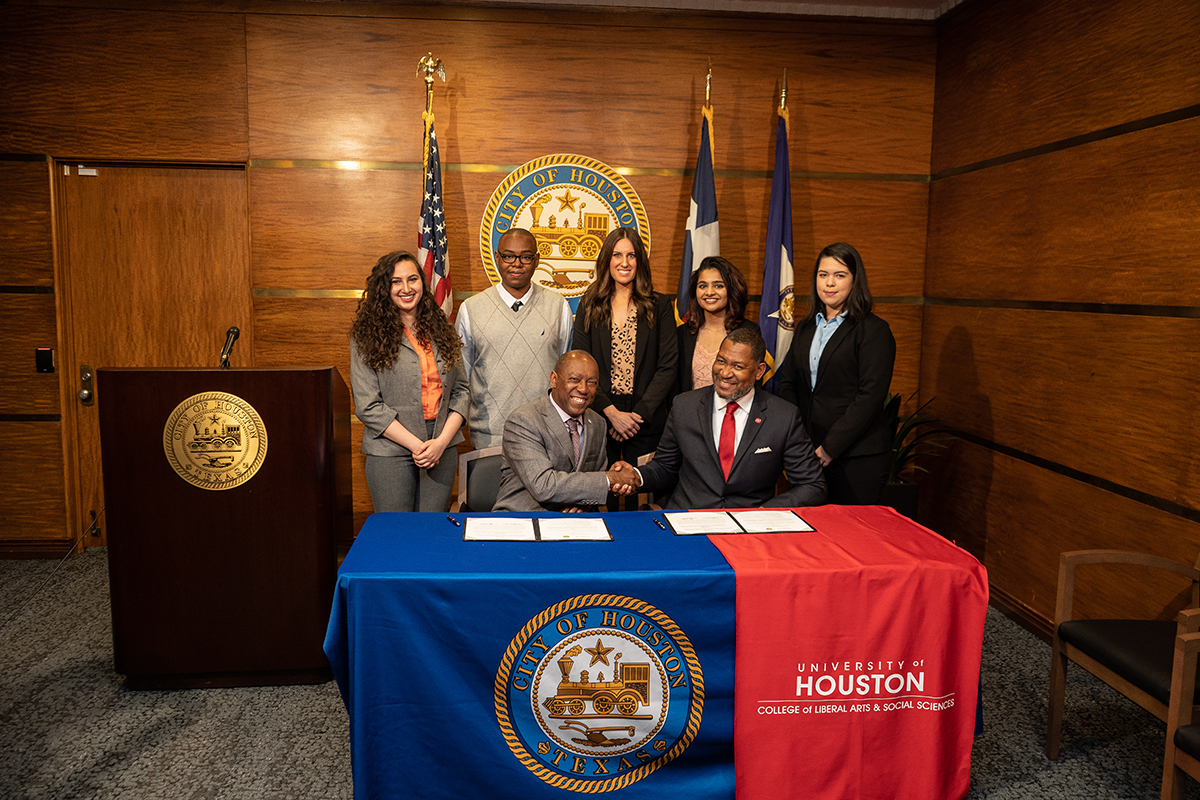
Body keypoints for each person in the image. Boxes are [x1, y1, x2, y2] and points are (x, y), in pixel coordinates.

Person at [636, 326, 826, 509]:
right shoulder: (684, 406)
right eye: (720, 361)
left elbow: (812, 485)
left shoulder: (783, 416)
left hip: (748, 529)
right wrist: (635, 476)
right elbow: (664, 468)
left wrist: (764, 513)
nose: (725, 373)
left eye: (738, 366)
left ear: (759, 371)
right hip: (690, 520)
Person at [777, 242, 896, 505]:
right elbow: (788, 385)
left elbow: (870, 397)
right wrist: (798, 441)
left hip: (857, 457)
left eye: (839, 275)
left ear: (855, 281)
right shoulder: (806, 328)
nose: (829, 283)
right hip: (808, 453)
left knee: (852, 539)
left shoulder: (873, 330)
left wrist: (830, 448)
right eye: (823, 275)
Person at [350, 251, 469, 512]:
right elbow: (368, 406)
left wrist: (440, 443)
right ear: (384, 288)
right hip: (389, 450)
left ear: (423, 284)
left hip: (441, 447)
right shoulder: (366, 336)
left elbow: (461, 391)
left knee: (430, 533)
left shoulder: (442, 329)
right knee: (396, 535)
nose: (406, 288)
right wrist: (418, 446)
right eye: (396, 281)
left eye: (412, 279)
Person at [571, 227, 677, 508]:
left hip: (646, 417)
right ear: (607, 259)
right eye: (617, 254)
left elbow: (668, 367)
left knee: (639, 497)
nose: (624, 262)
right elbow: (581, 363)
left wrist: (635, 416)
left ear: (640, 260)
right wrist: (612, 413)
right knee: (600, 495)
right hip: (599, 415)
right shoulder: (590, 305)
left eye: (631, 255)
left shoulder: (660, 305)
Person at [454, 227, 573, 448]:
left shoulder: (558, 307)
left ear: (536, 260)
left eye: (525, 257)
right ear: (497, 258)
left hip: (546, 435)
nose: (516, 263)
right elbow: (463, 376)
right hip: (489, 436)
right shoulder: (471, 309)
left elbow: (565, 375)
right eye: (508, 256)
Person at [493, 351, 640, 512]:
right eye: (574, 380)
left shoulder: (598, 423)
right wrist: (610, 479)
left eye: (591, 382)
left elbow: (593, 481)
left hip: (576, 523)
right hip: (523, 520)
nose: (584, 389)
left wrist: (587, 501)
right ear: (554, 379)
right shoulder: (523, 421)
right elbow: (543, 486)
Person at [677, 255, 760, 394]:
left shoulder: (749, 331)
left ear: (731, 290)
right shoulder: (682, 333)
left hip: (733, 413)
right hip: (689, 413)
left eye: (718, 286)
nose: (709, 292)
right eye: (702, 286)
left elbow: (752, 383)